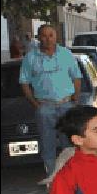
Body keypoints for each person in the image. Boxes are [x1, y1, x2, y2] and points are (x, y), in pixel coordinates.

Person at [19, 24, 81, 175]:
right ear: (38, 37)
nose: (47, 39)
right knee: (48, 145)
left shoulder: (66, 54)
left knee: (70, 144)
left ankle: (72, 178)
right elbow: (24, 82)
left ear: (56, 37)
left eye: (50, 35)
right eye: (44, 36)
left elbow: (76, 77)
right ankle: (52, 180)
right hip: (45, 108)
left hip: (67, 106)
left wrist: (75, 100)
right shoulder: (30, 57)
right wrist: (35, 104)